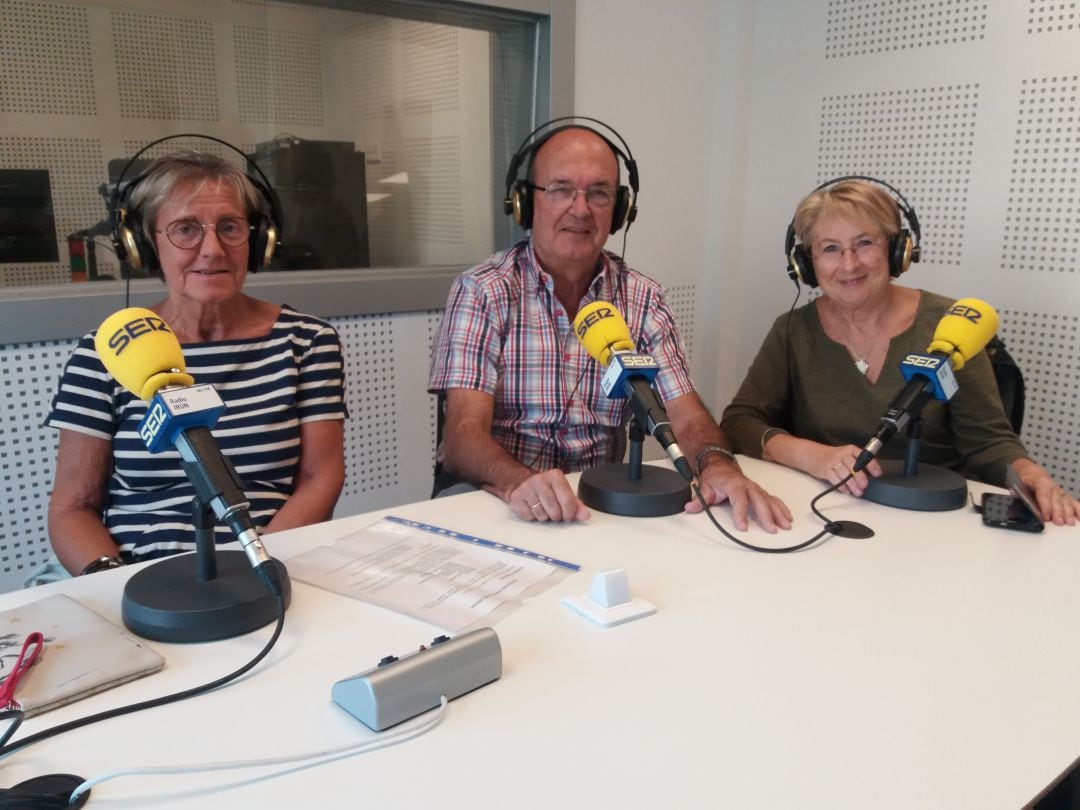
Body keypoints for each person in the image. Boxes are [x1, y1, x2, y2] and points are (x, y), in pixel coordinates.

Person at [428, 122, 792, 532]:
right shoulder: (482, 291)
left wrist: (719, 466)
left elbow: (686, 417)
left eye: (598, 193)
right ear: (525, 202)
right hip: (498, 497)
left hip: (594, 509)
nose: (580, 209)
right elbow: (462, 435)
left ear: (619, 211)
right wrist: (521, 484)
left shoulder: (643, 298)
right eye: (561, 189)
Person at [46, 150, 348, 576]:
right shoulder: (104, 352)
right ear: (143, 244)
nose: (212, 249)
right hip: (137, 577)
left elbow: (320, 479)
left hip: (266, 563)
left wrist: (260, 566)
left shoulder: (306, 342)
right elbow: (72, 507)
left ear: (259, 240)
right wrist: (113, 586)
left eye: (230, 227)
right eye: (185, 229)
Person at [720, 178, 1079, 525]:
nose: (849, 264)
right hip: (829, 510)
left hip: (931, 521)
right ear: (806, 263)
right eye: (829, 248)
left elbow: (989, 442)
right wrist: (809, 455)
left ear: (898, 250)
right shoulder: (793, 330)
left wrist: (1031, 476)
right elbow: (740, 422)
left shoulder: (951, 326)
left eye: (864, 243)